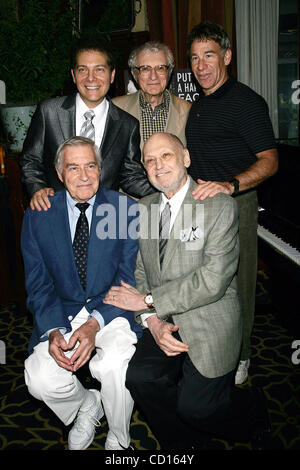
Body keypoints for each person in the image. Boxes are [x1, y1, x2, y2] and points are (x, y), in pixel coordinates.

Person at [103, 132, 271, 450]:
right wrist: (152, 318)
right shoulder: (147, 208)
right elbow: (142, 272)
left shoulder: (218, 205)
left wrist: (150, 300)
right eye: (150, 160)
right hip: (163, 316)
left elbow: (213, 279)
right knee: (141, 379)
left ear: (186, 158)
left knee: (199, 409)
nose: (158, 165)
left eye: (166, 155)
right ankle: (184, 446)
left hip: (210, 314)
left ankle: (252, 409)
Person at [21, 136, 142, 451]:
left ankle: (119, 436)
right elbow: (37, 281)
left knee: (115, 363)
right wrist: (53, 329)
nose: (84, 175)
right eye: (73, 168)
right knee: (39, 378)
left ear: (101, 170)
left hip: (112, 309)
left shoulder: (123, 209)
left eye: (90, 166)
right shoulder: (39, 214)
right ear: (59, 174)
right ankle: (86, 406)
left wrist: (95, 323)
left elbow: (127, 277)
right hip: (64, 312)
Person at [185, 22, 278, 384]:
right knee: (206, 283)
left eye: (209, 55)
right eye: (194, 58)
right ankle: (210, 346)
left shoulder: (246, 102)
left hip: (235, 203)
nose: (201, 65)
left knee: (238, 285)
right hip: (202, 205)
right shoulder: (199, 105)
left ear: (226, 56)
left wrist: (231, 185)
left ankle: (242, 357)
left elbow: (270, 161)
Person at [20, 36, 154, 212]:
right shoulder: (49, 112)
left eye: (99, 70)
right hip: (54, 212)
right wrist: (37, 189)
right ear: (73, 75)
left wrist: (169, 189)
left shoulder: (127, 125)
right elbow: (31, 160)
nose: (91, 78)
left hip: (103, 217)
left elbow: (130, 177)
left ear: (112, 75)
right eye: (83, 70)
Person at [112, 41, 191, 150]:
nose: (153, 76)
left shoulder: (188, 111)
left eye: (160, 68)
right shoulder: (115, 109)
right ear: (134, 74)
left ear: (169, 72)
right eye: (145, 68)